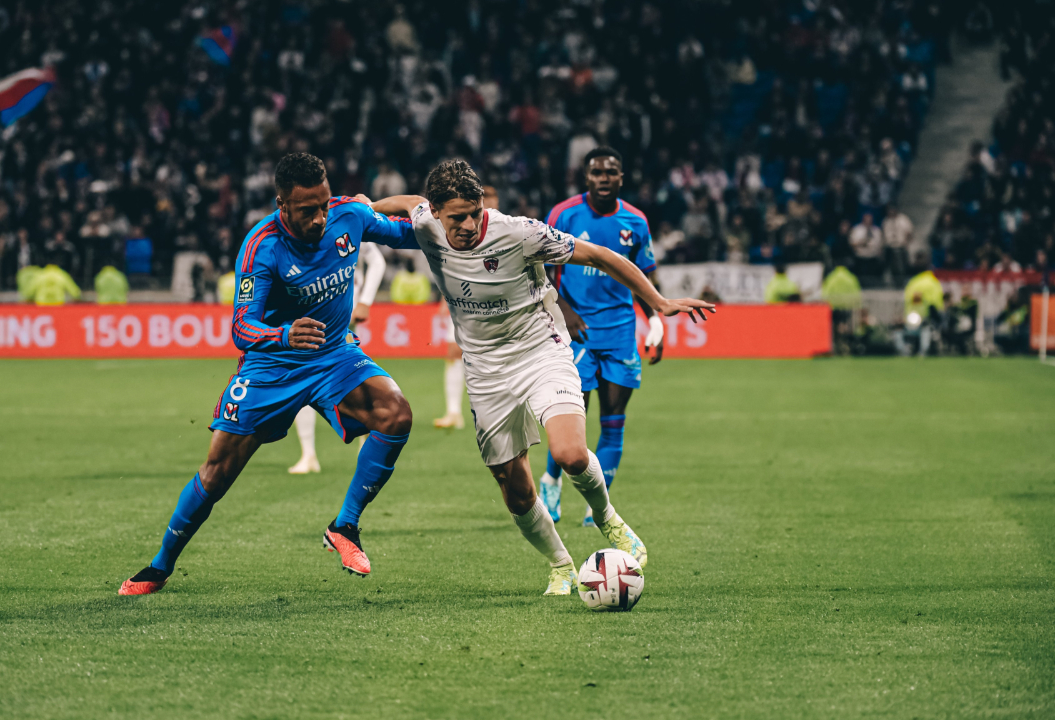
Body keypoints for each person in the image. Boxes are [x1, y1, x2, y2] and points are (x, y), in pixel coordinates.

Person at [119, 153, 423, 594]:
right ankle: (160, 565)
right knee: (218, 471)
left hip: (332, 354)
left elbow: (410, 234)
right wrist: (283, 334)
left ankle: (345, 526)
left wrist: (449, 228)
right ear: (282, 204)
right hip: (273, 366)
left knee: (396, 413)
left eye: (323, 205)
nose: (319, 218)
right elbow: (242, 327)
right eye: (307, 210)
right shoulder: (262, 246)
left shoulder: (349, 216)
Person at [407, 160, 714, 595]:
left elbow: (601, 256)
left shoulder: (519, 232)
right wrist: (362, 205)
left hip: (541, 351)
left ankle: (608, 517)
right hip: (486, 370)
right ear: (436, 211)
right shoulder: (425, 223)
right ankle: (561, 564)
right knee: (513, 488)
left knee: (570, 453)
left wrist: (658, 303)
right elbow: (406, 202)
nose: (470, 224)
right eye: (458, 217)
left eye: (476, 213)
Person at [537, 147, 665, 527]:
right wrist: (565, 311)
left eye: (611, 172)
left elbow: (643, 279)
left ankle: (598, 509)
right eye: (597, 172)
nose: (604, 178)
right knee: (572, 417)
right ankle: (551, 481)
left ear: (621, 178)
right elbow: (539, 271)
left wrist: (655, 323)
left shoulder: (635, 222)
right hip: (575, 333)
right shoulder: (564, 215)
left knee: (613, 420)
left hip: (621, 332)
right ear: (586, 177)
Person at [287, 235, 386, 475]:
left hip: (343, 313)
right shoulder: (293, 233)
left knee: (351, 377)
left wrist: (365, 301)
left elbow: (377, 261)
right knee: (303, 378)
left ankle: (366, 443)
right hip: (309, 312)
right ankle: (309, 454)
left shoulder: (347, 225)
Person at [433, 185, 499, 430]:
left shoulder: (504, 229)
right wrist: (445, 296)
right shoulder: (463, 229)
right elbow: (449, 264)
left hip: (495, 306)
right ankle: (453, 412)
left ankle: (494, 412)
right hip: (462, 301)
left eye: (491, 198)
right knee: (453, 352)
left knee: (492, 358)